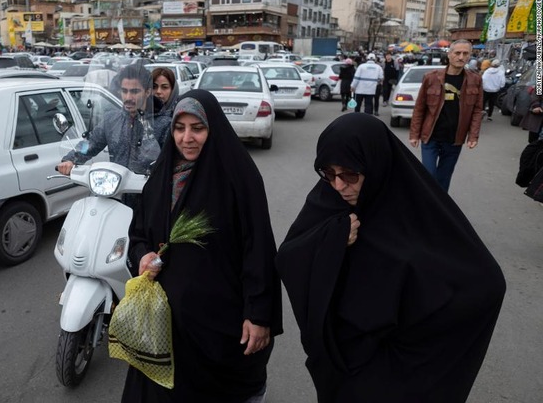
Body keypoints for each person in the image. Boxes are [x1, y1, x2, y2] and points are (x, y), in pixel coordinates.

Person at [275, 113, 506, 403]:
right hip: (343, 364)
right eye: (327, 173)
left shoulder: (418, 210)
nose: (338, 185)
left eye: (349, 174)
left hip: (398, 370)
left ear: (375, 164)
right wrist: (332, 240)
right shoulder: (328, 203)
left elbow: (486, 283)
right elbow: (289, 256)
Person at [122, 90, 283, 402]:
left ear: (214, 129)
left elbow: (259, 250)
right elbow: (138, 232)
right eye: (179, 128)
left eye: (198, 128)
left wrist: (259, 315)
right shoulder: (161, 176)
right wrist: (142, 255)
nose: (187, 138)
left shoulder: (239, 178)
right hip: (163, 324)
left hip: (219, 325)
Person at [56, 64, 166, 177]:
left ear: (147, 92)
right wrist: (71, 159)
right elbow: (91, 143)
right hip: (117, 189)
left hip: (149, 190)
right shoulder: (111, 120)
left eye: (134, 91)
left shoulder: (163, 124)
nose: (128, 97)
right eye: (124, 91)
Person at [409, 39, 484, 191]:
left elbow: (477, 109)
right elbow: (419, 108)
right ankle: (425, 208)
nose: (461, 57)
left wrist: (473, 135)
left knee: (443, 179)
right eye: (457, 53)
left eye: (465, 53)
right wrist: (414, 134)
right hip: (431, 137)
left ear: (470, 56)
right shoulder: (431, 77)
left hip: (454, 139)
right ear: (449, 55)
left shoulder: (475, 80)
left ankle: (439, 212)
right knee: (428, 177)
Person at [151, 67, 180, 146]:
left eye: (164, 87)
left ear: (173, 90)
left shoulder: (179, 116)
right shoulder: (140, 114)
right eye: (154, 87)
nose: (158, 92)